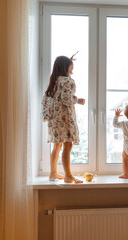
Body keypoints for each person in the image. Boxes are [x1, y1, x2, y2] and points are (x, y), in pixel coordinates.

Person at [41, 55, 85, 183]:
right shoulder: (67, 81)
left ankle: (53, 173)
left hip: (55, 119)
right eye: (71, 68)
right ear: (66, 67)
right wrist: (78, 100)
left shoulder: (53, 81)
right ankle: (68, 175)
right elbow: (66, 99)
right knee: (68, 144)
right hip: (64, 118)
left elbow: (50, 99)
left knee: (57, 145)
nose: (72, 71)